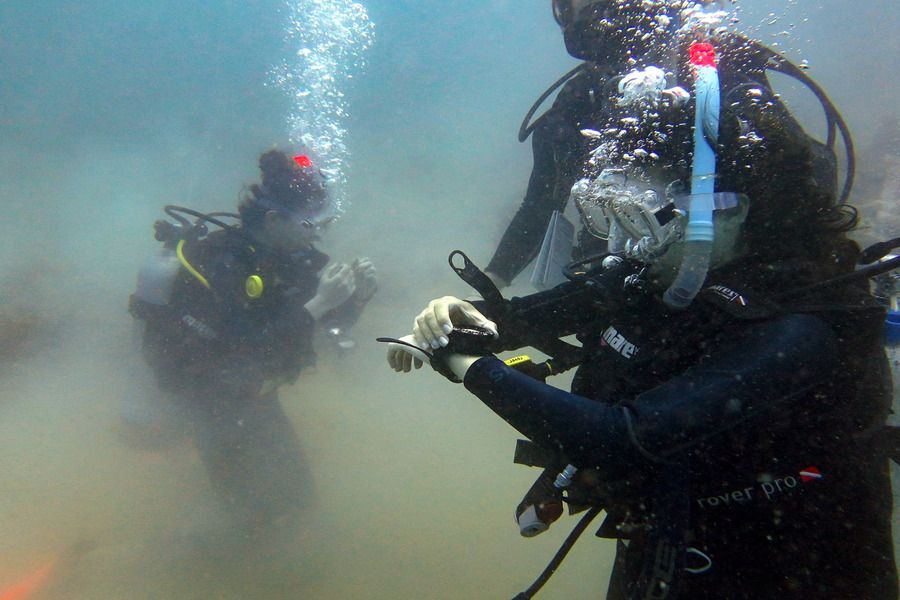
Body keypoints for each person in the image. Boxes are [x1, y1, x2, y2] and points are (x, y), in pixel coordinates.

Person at [384, 2, 897, 598]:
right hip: (667, 545)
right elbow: (523, 319)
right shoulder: (658, 278)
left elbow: (616, 437)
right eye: (616, 222)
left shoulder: (799, 327)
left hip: (786, 572)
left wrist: (465, 364)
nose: (630, 249)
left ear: (727, 210)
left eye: (646, 223)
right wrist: (462, 318)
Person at [484, 0, 849, 290]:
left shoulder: (710, 67)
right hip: (628, 290)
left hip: (738, 284)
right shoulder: (577, 101)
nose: (570, 9)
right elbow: (539, 205)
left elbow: (798, 174)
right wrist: (488, 286)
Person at [129, 148, 377, 537]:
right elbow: (240, 349)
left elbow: (327, 331)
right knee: (249, 519)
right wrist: (318, 304)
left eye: (324, 223)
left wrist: (358, 297)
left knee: (299, 502)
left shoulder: (292, 259)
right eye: (311, 223)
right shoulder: (223, 262)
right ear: (274, 219)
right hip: (212, 400)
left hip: (256, 395)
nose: (318, 233)